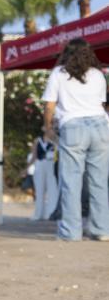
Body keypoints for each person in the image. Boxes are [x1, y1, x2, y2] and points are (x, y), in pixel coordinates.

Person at [42, 38, 109, 241]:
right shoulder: (98, 75)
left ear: (67, 53)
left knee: (71, 181)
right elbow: (102, 104)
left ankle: (71, 231)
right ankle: (101, 230)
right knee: (99, 181)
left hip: (73, 127)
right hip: (100, 126)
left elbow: (49, 106)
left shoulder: (59, 73)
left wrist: (47, 128)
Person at [29, 134, 58, 221]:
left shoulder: (56, 140)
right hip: (40, 164)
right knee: (39, 190)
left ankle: (50, 213)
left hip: (51, 163)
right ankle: (38, 213)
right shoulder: (38, 140)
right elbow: (34, 155)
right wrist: (26, 168)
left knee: (52, 190)